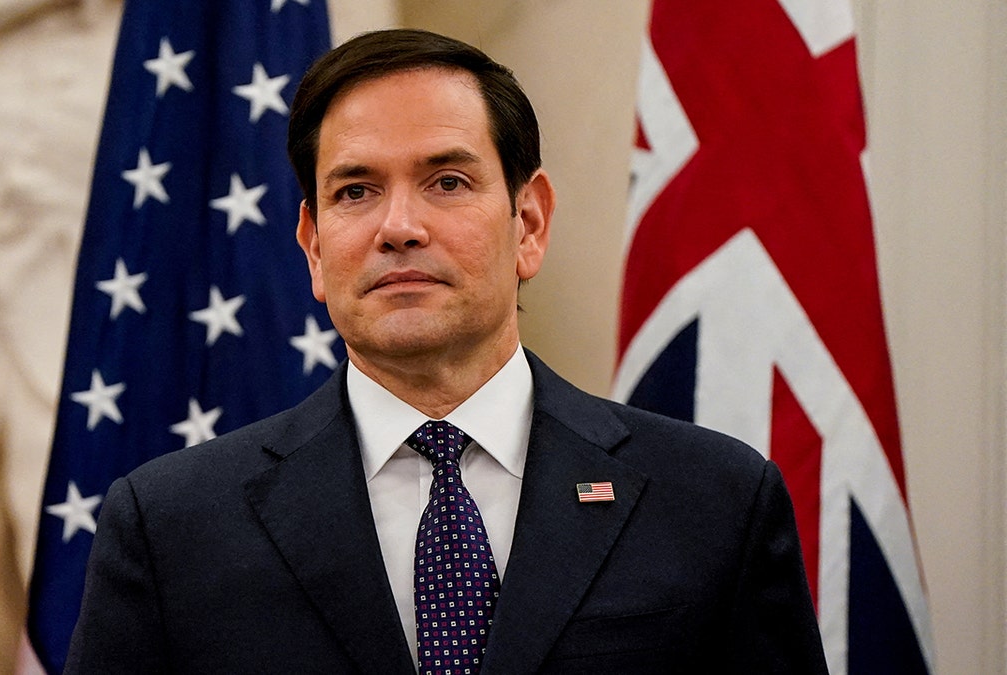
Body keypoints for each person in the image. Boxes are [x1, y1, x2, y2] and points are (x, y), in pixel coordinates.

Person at [66, 28, 827, 673]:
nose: (398, 226)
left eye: (448, 181)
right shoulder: (170, 527)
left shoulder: (715, 501)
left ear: (528, 223)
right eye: (355, 191)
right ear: (313, 248)